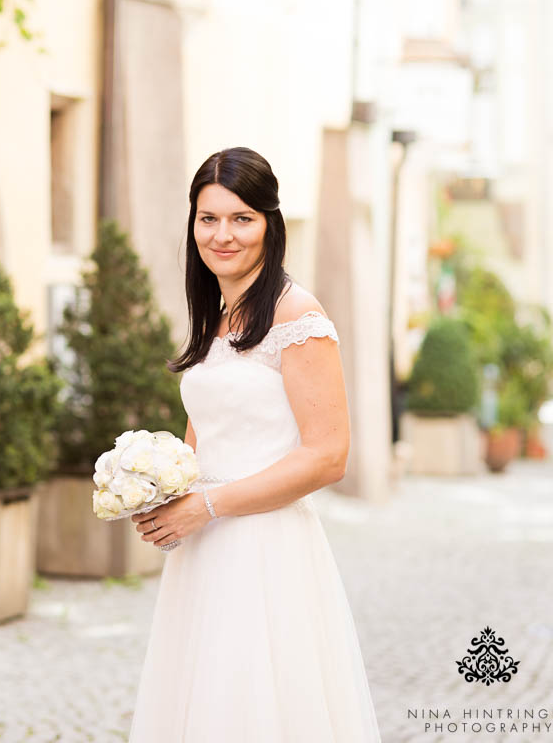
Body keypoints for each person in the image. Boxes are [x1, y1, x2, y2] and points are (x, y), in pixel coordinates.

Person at [126, 147, 382, 741]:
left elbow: (328, 455)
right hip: (202, 548)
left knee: (253, 706)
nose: (223, 235)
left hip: (265, 548)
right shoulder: (217, 317)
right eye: (208, 218)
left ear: (271, 224)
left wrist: (206, 506)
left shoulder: (296, 316)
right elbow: (205, 433)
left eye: (242, 218)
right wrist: (157, 487)